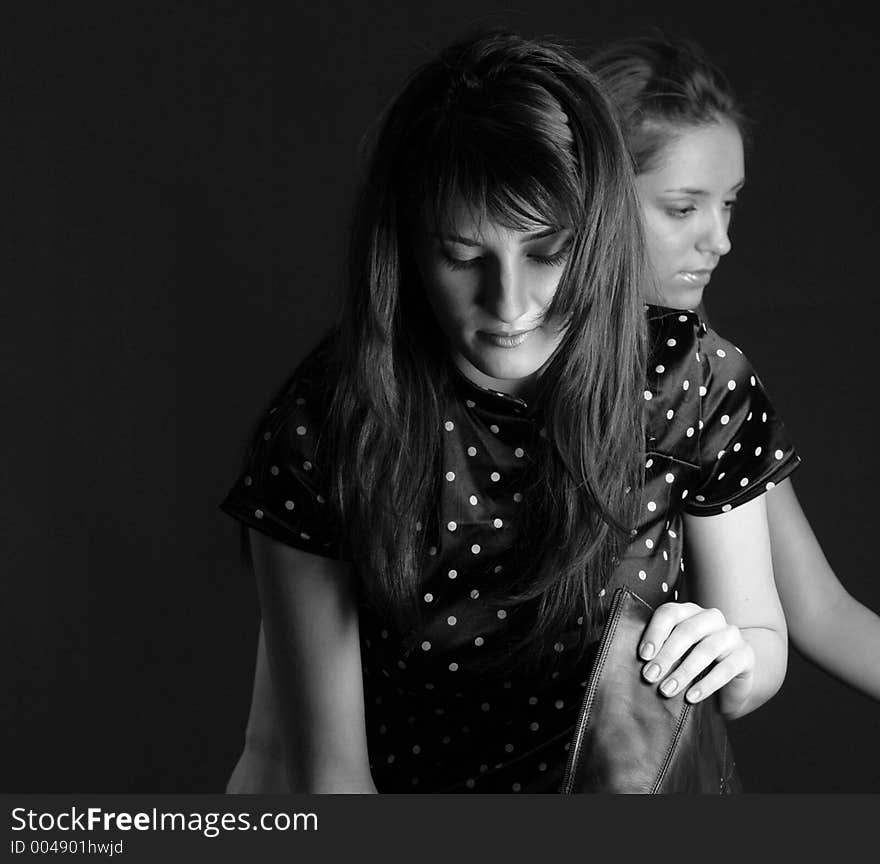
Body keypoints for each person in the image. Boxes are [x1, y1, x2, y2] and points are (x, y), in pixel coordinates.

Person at [220, 30, 795, 794]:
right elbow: (332, 778)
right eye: (463, 257)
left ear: (595, 235)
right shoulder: (325, 421)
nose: (511, 304)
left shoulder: (691, 378)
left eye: (549, 251)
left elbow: (762, 641)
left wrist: (733, 653)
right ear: (404, 249)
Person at [590, 33, 880, 701]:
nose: (720, 240)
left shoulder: (702, 381)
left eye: (730, 203)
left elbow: (819, 612)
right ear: (591, 194)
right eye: (683, 207)